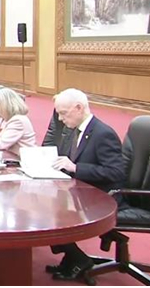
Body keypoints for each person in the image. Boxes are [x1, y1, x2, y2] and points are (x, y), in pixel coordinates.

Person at [47, 88, 126, 281]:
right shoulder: (73, 130)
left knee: (50, 212)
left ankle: (78, 259)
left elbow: (116, 172)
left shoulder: (103, 133)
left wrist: (76, 167)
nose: (60, 119)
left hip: (103, 196)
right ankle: (71, 256)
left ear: (79, 108)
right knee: (44, 202)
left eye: (63, 113)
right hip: (81, 190)